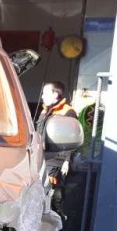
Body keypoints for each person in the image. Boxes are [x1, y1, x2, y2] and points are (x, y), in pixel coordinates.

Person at [35, 81, 77, 220]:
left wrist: (66, 160)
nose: (42, 96)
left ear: (55, 94)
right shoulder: (44, 110)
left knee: (52, 193)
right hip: (40, 158)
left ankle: (54, 222)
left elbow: (71, 136)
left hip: (56, 160)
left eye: (45, 93)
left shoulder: (67, 112)